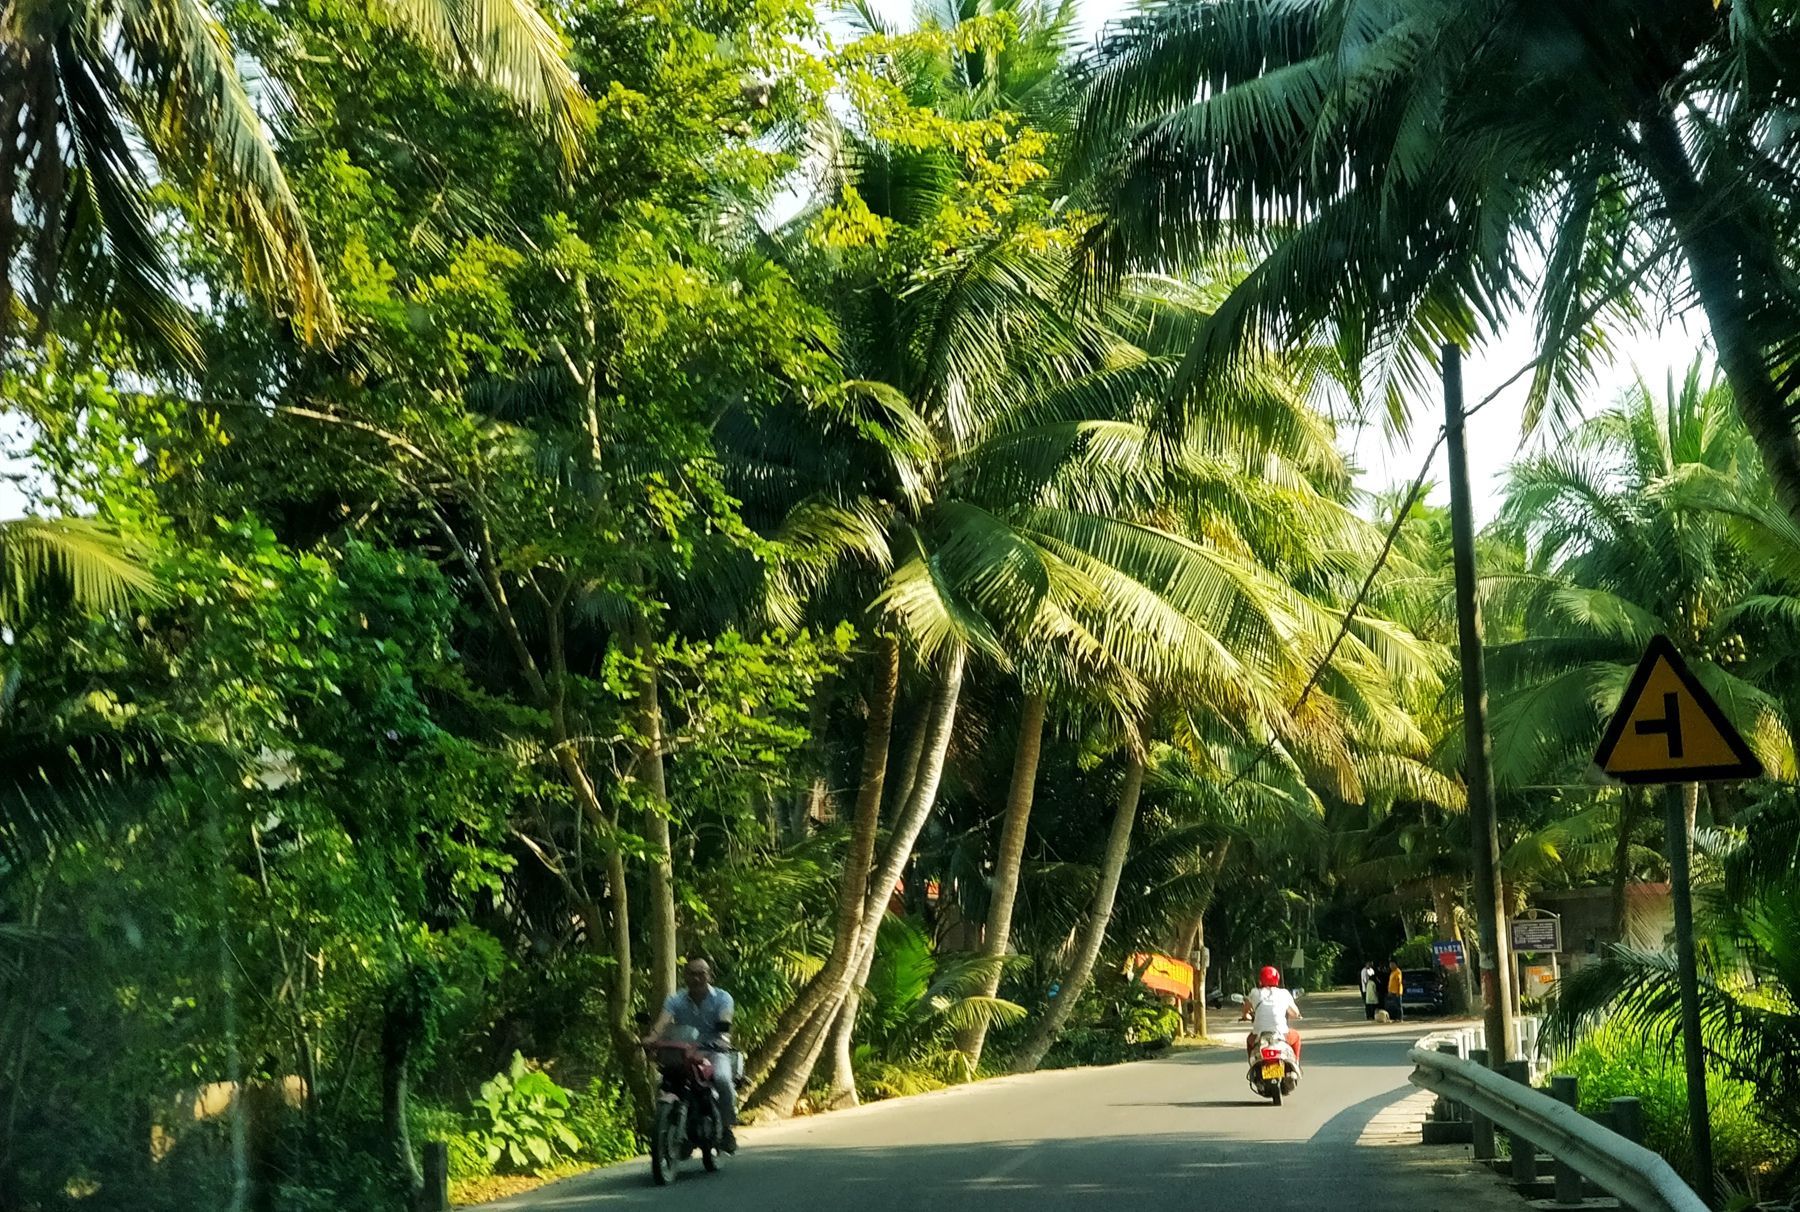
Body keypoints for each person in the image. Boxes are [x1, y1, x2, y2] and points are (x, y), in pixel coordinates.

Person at [642, 957, 739, 1152]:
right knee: (666, 1080)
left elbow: (725, 1019)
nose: (696, 978)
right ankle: (674, 1123)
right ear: (685, 976)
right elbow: (663, 1022)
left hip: (713, 1050)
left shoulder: (722, 998)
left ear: (709, 975)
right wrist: (652, 1037)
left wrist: (722, 1035)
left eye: (701, 973)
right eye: (691, 973)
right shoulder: (675, 999)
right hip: (683, 1051)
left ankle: (727, 1128)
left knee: (722, 1079)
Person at [1239, 965, 1303, 1065]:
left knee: (1249, 1040)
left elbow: (1246, 1009)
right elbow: (1295, 1013)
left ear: (1260, 980)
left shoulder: (1255, 993)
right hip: (1282, 1035)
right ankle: (1295, 1064)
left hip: (1260, 1036)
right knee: (1296, 1036)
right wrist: (1298, 1015)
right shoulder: (1284, 993)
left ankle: (1253, 1065)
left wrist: (1245, 1016)